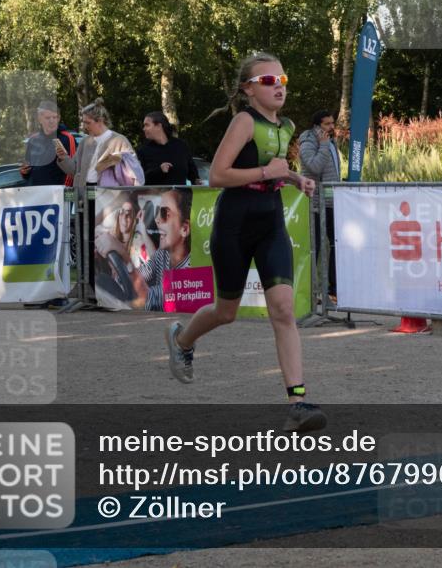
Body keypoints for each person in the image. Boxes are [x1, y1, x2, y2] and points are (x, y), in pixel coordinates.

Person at [163, 52, 324, 434]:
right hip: (234, 224)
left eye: (282, 80)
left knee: (283, 309)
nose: (278, 87)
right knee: (226, 312)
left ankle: (298, 404)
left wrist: (294, 179)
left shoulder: (286, 126)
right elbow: (218, 175)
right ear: (248, 89)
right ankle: (182, 340)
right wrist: (269, 171)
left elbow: (274, 170)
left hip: (270, 221)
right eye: (268, 81)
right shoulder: (244, 121)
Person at [298, 109, 340, 302]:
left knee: (336, 243)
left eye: (332, 123)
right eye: (327, 124)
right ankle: (309, 292)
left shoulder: (329, 140)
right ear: (317, 125)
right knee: (314, 247)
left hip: (331, 201)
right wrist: (323, 146)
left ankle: (334, 289)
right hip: (315, 202)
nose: (331, 127)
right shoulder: (309, 141)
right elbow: (314, 166)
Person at [57, 98, 142, 188]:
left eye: (88, 123)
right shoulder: (85, 142)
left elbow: (134, 171)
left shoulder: (120, 140)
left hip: (109, 193)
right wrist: (63, 157)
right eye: (84, 123)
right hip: (84, 192)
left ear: (100, 121)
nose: (85, 126)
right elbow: (74, 171)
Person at [136, 188, 192, 311]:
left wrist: (121, 253)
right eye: (158, 212)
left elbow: (144, 298)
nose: (157, 219)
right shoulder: (163, 254)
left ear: (184, 229)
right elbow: (140, 276)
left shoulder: (192, 270)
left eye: (165, 213)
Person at [20, 101, 77, 186]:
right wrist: (24, 172)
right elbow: (28, 170)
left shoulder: (67, 138)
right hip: (35, 191)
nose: (52, 121)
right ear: (40, 119)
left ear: (59, 118)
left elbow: (73, 171)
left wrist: (64, 190)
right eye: (48, 118)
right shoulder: (33, 140)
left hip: (57, 192)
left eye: (55, 117)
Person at [138, 111, 201, 186]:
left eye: (147, 125)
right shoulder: (143, 151)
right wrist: (159, 170)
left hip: (181, 193)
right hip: (156, 193)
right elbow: (140, 179)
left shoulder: (181, 145)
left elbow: (192, 171)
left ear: (159, 126)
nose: (144, 129)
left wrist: (196, 180)